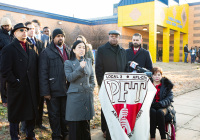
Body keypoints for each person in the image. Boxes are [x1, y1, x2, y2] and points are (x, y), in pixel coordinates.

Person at [1, 23, 39, 140]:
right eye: (21, 30)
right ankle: (15, 137)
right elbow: (5, 70)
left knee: (30, 114)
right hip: (17, 88)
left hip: (30, 88)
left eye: (25, 30)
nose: (24, 32)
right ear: (15, 33)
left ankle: (30, 135)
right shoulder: (9, 49)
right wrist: (15, 82)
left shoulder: (32, 47)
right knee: (15, 116)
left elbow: (36, 66)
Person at [95, 30, 127, 139]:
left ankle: (117, 128)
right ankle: (105, 129)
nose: (114, 38)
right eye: (112, 36)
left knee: (118, 107)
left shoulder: (123, 51)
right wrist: (101, 84)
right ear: (109, 37)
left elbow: (126, 68)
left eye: (116, 37)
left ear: (119, 38)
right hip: (106, 85)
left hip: (120, 86)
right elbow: (98, 68)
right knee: (106, 107)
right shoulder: (102, 50)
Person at [39, 28, 69, 140]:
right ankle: (56, 135)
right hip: (53, 91)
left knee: (65, 114)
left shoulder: (68, 50)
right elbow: (42, 73)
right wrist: (45, 92)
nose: (60, 38)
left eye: (62, 35)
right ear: (53, 38)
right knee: (54, 115)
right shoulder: (46, 52)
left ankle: (65, 133)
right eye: (58, 36)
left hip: (66, 89)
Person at [64, 40, 95, 140]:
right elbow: (69, 78)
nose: (82, 49)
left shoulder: (89, 61)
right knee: (75, 127)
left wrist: (91, 87)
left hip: (86, 95)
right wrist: (80, 68)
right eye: (79, 47)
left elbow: (92, 77)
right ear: (73, 50)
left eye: (83, 47)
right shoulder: (68, 63)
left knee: (85, 126)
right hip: (75, 98)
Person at [25, 21, 47, 130]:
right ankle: (27, 125)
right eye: (28, 29)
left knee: (40, 100)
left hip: (40, 77)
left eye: (32, 28)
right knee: (29, 102)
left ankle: (39, 122)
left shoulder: (40, 42)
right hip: (29, 78)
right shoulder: (23, 43)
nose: (31, 30)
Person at [150, 67, 174, 140]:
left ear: (161, 75)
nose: (156, 77)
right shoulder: (148, 85)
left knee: (160, 112)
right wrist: (151, 103)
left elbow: (170, 97)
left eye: (158, 75)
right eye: (154, 75)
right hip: (152, 106)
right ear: (151, 76)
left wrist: (161, 103)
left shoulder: (166, 85)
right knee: (152, 112)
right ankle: (152, 137)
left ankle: (163, 137)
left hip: (163, 107)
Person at [0, 17, 14, 107]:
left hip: (13, 61)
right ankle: (4, 99)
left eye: (7, 25)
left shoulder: (14, 34)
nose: (5, 27)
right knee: (3, 81)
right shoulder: (0, 34)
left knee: (11, 79)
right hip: (2, 61)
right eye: (3, 26)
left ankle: (11, 97)